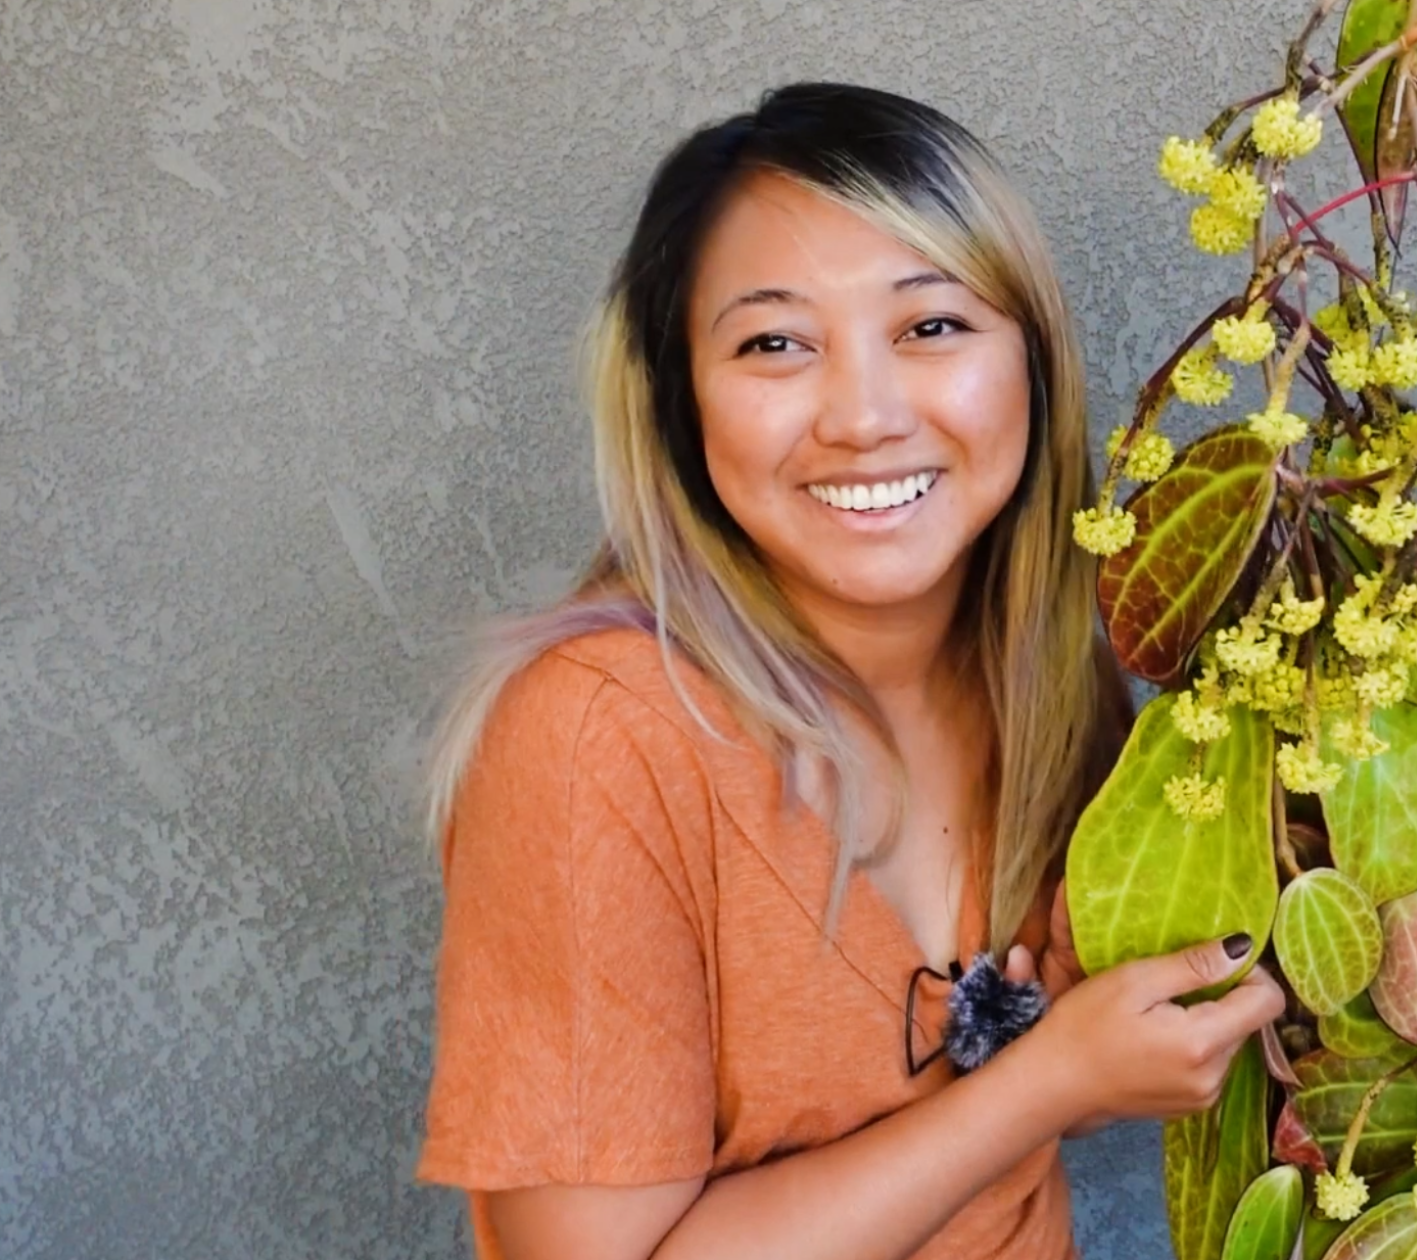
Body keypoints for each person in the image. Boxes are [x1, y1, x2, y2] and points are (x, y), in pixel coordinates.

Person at [415, 82, 1287, 1260]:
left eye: (930, 326)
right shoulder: (598, 739)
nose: (864, 416)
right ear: (680, 403)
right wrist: (1044, 1085)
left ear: (1030, 361)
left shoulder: (1059, 681)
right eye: (773, 343)